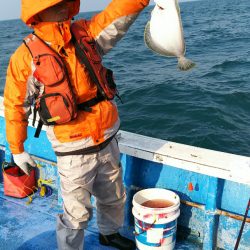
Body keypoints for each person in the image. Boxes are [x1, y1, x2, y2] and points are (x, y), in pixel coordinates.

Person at [4, 0, 150, 249]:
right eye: (56, 3)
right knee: (75, 211)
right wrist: (17, 149)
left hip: (107, 137)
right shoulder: (25, 57)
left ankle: (109, 233)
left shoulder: (85, 33)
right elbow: (15, 105)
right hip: (73, 150)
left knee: (113, 196)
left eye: (65, 2)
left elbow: (116, 17)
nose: (63, 7)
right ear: (38, 12)